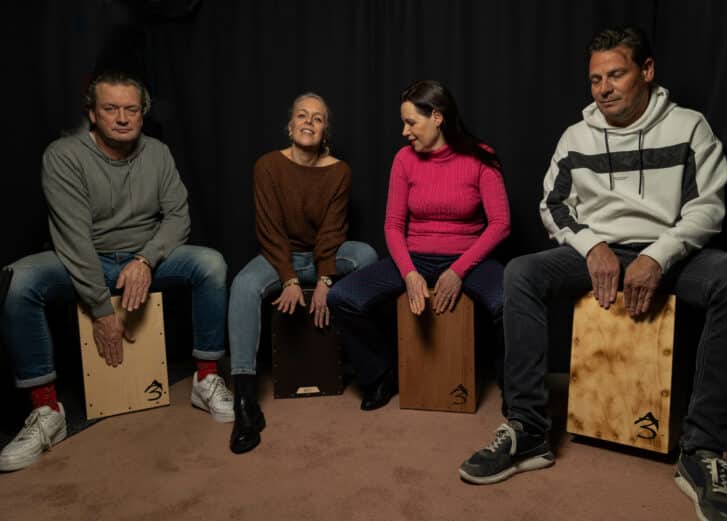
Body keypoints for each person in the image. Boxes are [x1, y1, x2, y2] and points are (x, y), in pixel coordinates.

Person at [459, 26, 727, 521]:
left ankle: (702, 452)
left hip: (671, 251)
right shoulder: (576, 136)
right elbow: (553, 205)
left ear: (646, 71)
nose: (603, 89)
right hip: (598, 250)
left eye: (616, 75)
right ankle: (528, 428)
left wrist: (658, 255)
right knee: (521, 273)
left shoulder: (689, 127)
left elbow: (707, 209)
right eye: (595, 79)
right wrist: (591, 245)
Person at [0, 71, 234, 472]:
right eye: (110, 109)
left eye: (131, 109)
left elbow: (178, 217)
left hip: (141, 258)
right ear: (93, 114)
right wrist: (101, 310)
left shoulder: (157, 153)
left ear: (142, 114)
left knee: (210, 263)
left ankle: (206, 379)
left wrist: (146, 260)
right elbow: (73, 238)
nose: (122, 118)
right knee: (18, 281)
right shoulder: (63, 155)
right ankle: (46, 411)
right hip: (81, 258)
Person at [328, 80, 511, 411]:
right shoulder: (404, 160)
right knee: (342, 297)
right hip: (415, 258)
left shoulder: (481, 157)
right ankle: (380, 375)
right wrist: (409, 272)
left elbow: (500, 224)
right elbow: (393, 225)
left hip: (469, 258)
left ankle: (513, 387)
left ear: (437, 117)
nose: (404, 132)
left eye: (411, 122)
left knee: (508, 303)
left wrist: (458, 270)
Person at [227, 92, 377, 454]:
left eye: (317, 118)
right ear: (290, 125)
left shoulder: (339, 171)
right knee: (243, 285)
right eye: (302, 115)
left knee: (367, 256)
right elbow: (270, 229)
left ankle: (368, 368)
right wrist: (288, 278)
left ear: (325, 131)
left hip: (324, 254)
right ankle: (244, 401)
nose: (309, 122)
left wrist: (326, 280)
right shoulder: (267, 165)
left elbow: (332, 231)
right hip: (280, 255)